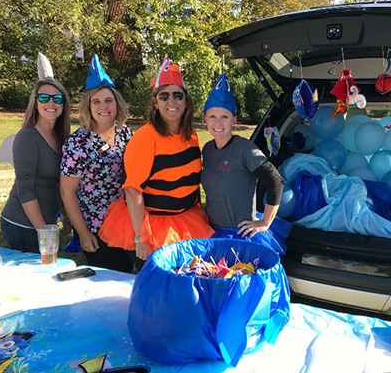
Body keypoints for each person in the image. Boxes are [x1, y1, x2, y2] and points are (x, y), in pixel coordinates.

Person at [99, 56, 214, 269]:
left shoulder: (191, 135)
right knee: (160, 287)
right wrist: (140, 238)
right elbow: (133, 191)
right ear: (155, 102)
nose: (171, 102)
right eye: (164, 96)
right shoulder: (145, 137)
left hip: (186, 221)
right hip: (152, 227)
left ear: (186, 100)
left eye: (177, 95)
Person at [201, 75, 291, 254]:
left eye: (224, 117)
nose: (218, 123)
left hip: (240, 235)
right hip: (212, 233)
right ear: (205, 119)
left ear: (234, 120)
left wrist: (265, 222)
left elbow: (276, 182)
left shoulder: (245, 149)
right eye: (212, 116)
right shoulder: (207, 149)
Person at [60, 54, 134, 273]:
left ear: (117, 104)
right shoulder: (79, 141)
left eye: (108, 100)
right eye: (97, 101)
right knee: (106, 283)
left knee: (127, 278)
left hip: (125, 224)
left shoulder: (125, 134)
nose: (104, 107)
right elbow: (67, 192)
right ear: (88, 107)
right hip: (96, 228)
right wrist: (83, 233)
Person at [0, 53, 71, 252]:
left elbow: (60, 181)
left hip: (45, 223)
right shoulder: (28, 137)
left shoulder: (60, 136)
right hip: (22, 225)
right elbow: (25, 189)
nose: (51, 103)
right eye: (44, 98)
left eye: (57, 98)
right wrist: (43, 231)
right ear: (35, 102)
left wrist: (64, 214)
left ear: (63, 104)